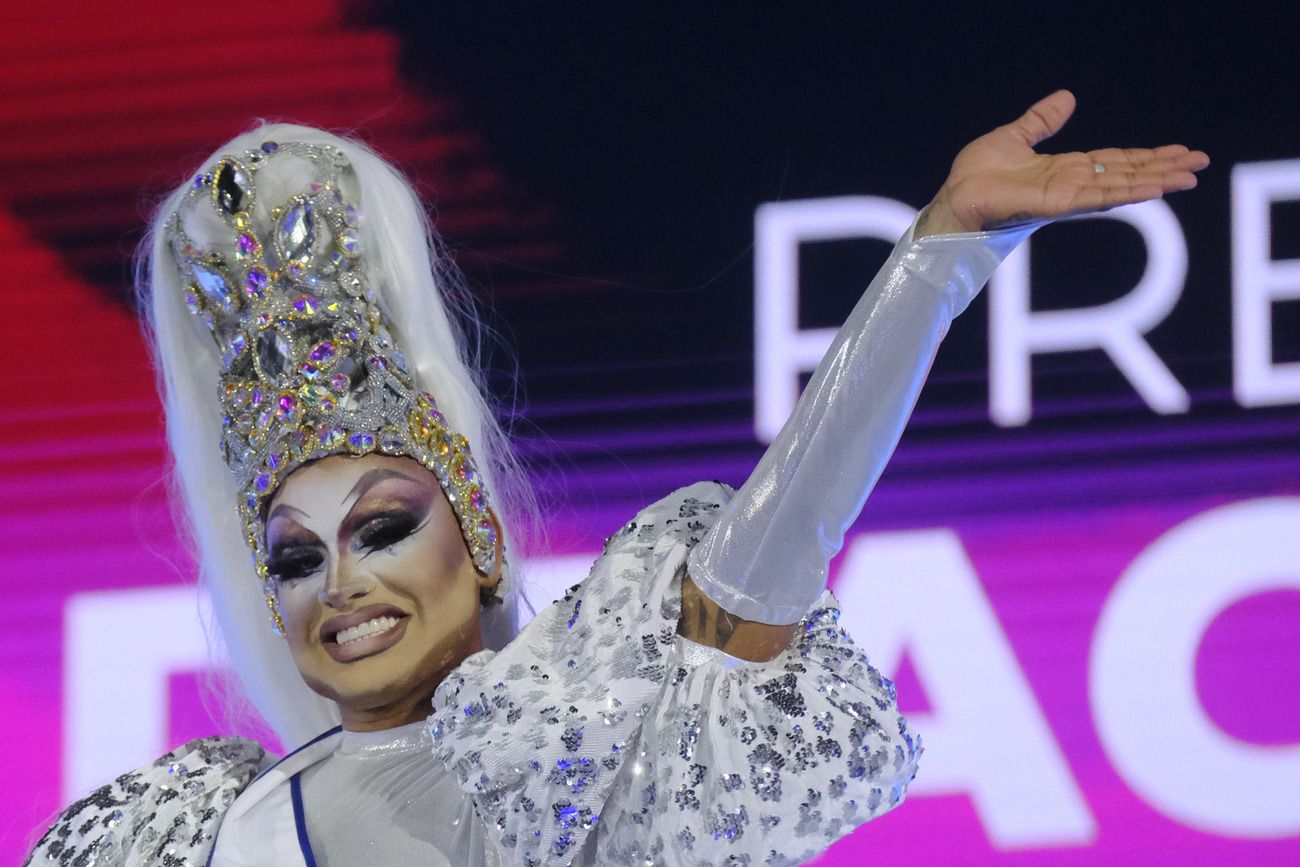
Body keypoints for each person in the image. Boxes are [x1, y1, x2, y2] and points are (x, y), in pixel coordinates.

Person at [27, 91, 1207, 866]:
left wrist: (939, 257)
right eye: (293, 557)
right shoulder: (191, 838)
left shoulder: (575, 756)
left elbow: (769, 553)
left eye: (381, 527)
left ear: (476, 538)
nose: (338, 583)